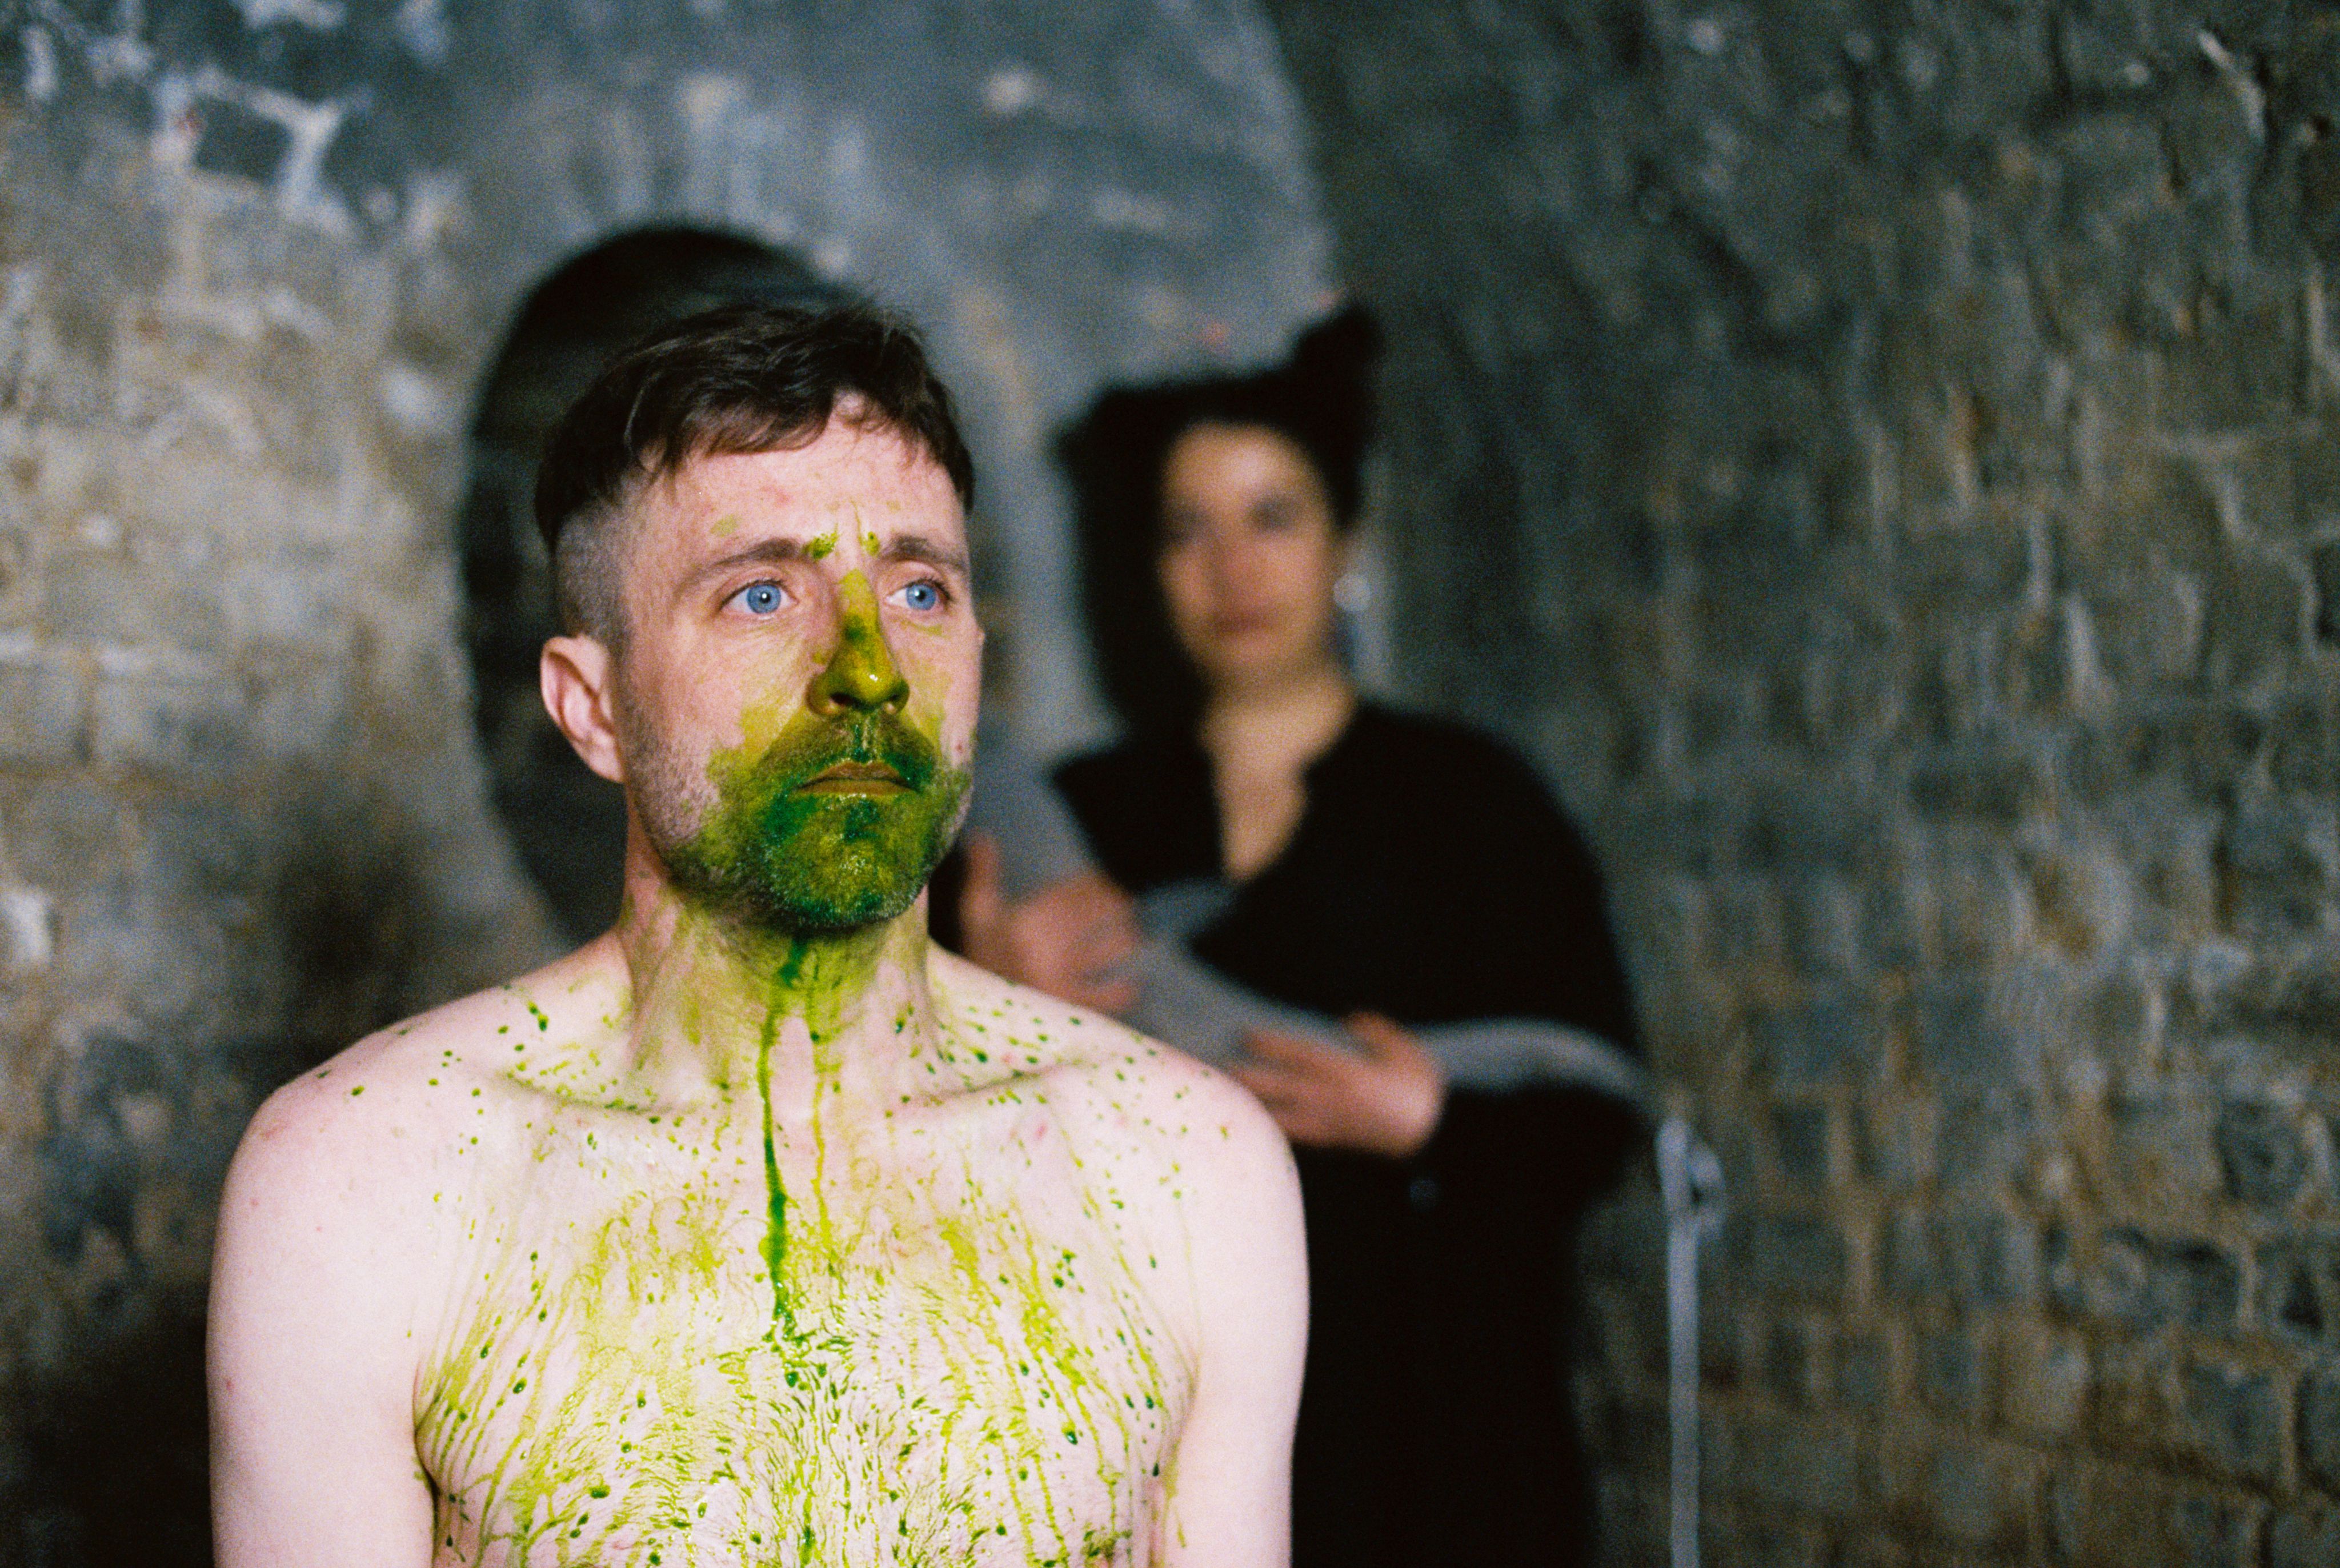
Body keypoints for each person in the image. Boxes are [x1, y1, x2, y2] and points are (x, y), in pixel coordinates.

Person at [206, 302, 1308, 1567]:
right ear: (592, 706)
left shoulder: (1179, 1166)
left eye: (917, 587)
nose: (870, 667)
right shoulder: (366, 1183)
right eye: (763, 591)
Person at [970, 308, 1646, 1568]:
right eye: (1188, 529)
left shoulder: (1473, 801)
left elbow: (1591, 1107)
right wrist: (989, 1001)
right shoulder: (1083, 816)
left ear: (1345, 542)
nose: (1232, 568)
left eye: (1271, 516)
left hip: (1433, 1428)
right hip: (1147, 1444)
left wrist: (1431, 1123)